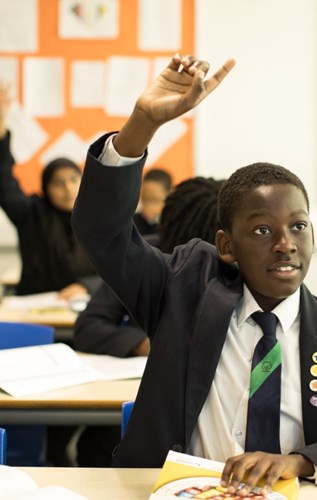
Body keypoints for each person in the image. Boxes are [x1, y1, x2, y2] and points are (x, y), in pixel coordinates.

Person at [72, 54, 317, 491]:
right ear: (227, 246)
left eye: (298, 227)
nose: (285, 243)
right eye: (263, 230)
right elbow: (102, 232)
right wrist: (143, 123)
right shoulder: (184, 291)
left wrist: (301, 462)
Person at [73, 175, 223, 467]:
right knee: (97, 442)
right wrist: (142, 344)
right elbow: (89, 326)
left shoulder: (233, 273)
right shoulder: (146, 259)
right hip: (138, 395)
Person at [0, 81, 99, 300]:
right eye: (58, 183)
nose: (68, 188)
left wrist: (87, 286)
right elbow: (4, 182)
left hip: (87, 305)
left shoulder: (98, 217)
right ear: (46, 188)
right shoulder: (32, 214)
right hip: (35, 306)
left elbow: (119, 268)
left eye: (73, 179)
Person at [133, 168, 172, 236]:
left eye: (154, 200)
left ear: (170, 196)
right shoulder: (133, 223)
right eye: (144, 200)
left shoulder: (175, 225)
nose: (147, 206)